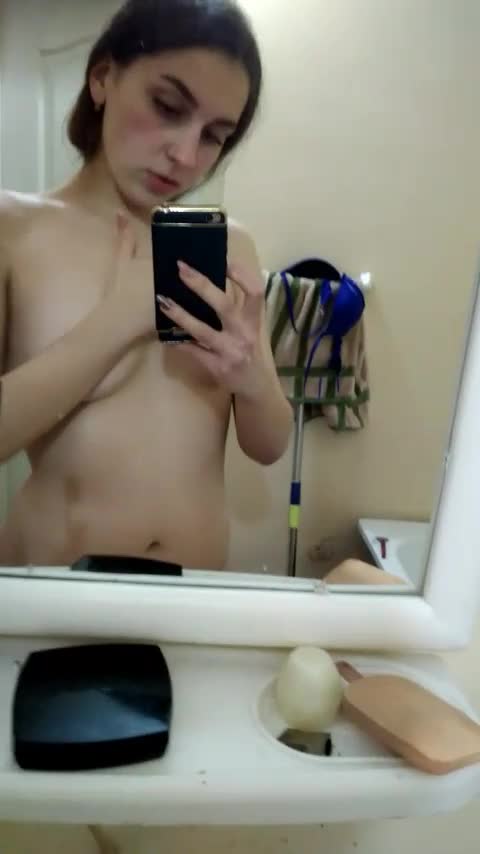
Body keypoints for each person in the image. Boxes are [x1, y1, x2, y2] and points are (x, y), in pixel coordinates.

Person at [0, 0, 293, 570]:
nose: (185, 155)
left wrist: (253, 380)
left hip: (192, 597)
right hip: (58, 593)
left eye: (214, 136)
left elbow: (269, 446)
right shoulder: (15, 229)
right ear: (103, 78)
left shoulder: (231, 246)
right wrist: (123, 316)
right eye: (167, 107)